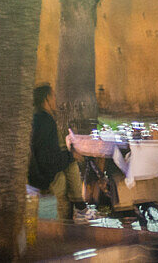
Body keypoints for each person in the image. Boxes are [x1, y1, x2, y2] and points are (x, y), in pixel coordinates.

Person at [28, 83, 92, 222]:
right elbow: (47, 158)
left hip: (37, 171)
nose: (55, 100)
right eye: (53, 96)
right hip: (42, 176)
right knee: (71, 162)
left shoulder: (36, 117)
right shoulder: (46, 121)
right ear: (46, 99)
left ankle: (80, 206)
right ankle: (80, 206)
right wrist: (70, 156)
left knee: (69, 160)